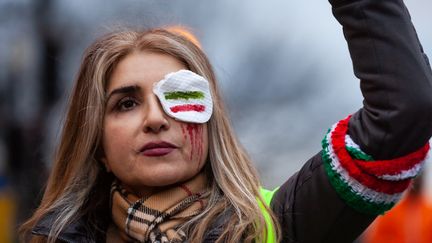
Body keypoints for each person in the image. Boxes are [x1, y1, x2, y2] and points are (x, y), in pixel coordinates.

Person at [20, 0, 432, 242]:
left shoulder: (276, 224)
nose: (155, 119)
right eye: (126, 104)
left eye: (179, 95)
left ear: (210, 125)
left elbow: (403, 113)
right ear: (98, 146)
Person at [362, 173, 432, 243]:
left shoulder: (429, 213)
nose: (417, 184)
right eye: (415, 181)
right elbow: (378, 238)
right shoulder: (392, 213)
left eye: (419, 181)